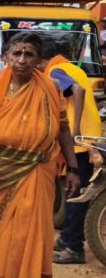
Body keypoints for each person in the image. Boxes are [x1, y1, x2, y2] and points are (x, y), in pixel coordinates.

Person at [0, 32, 81, 278]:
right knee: (3, 230)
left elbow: (63, 129)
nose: (22, 60)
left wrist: (73, 168)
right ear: (6, 56)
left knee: (34, 231)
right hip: (1, 168)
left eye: (29, 54)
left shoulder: (50, 88)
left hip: (40, 168)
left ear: (39, 59)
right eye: (16, 53)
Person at [44, 41, 102, 264]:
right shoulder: (75, 68)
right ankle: (67, 238)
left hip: (79, 140)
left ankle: (74, 247)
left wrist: (75, 127)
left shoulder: (54, 70)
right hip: (88, 138)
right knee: (74, 190)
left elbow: (77, 90)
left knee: (76, 193)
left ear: (44, 59)